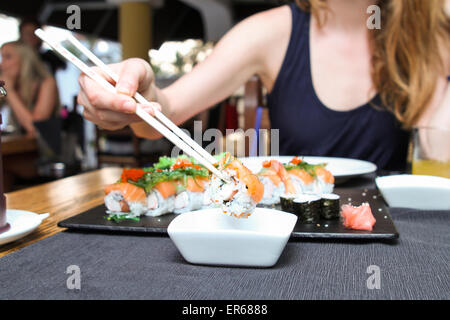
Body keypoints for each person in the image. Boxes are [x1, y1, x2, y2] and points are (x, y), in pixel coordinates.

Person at [77, 0, 450, 170]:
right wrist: (135, 94)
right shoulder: (271, 31)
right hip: (294, 238)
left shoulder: (425, 34)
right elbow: (165, 111)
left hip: (394, 243)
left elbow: (439, 152)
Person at [0, 41, 60, 137]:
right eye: (2, 58)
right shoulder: (12, 84)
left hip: (46, 150)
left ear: (25, 60)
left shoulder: (47, 83)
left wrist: (9, 91)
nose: (2, 64)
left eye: (7, 57)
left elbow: (35, 128)